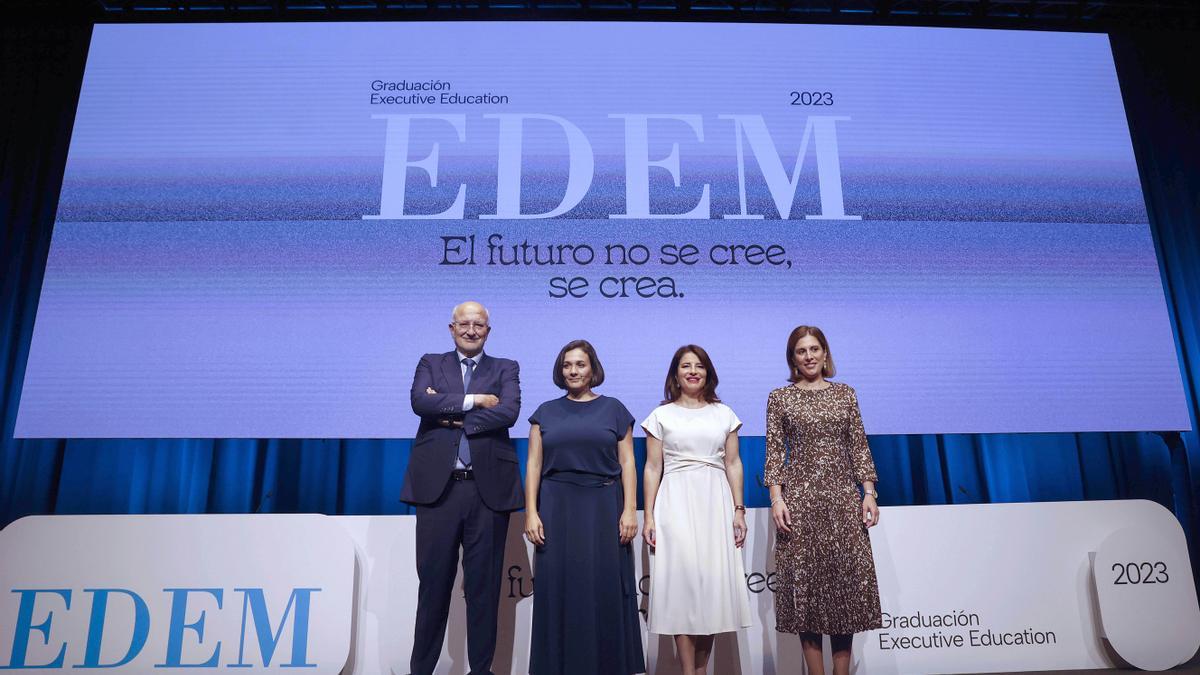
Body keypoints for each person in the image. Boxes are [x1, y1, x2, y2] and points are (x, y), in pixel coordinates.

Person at [402, 301, 523, 675]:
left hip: (486, 492)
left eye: (480, 325)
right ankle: (420, 669)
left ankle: (481, 670)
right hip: (439, 491)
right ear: (451, 328)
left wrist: (451, 414)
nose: (472, 331)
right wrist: (475, 402)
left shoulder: (506, 367)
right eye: (464, 324)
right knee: (433, 586)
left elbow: (509, 412)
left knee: (484, 590)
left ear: (489, 330)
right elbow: (420, 402)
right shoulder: (430, 362)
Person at [764, 325, 882, 675]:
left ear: (825, 353)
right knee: (807, 593)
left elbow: (859, 446)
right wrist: (776, 498)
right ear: (793, 358)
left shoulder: (845, 394)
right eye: (801, 351)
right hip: (799, 502)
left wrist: (869, 492)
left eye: (815, 349)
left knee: (843, 589)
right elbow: (773, 452)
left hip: (843, 501)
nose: (809, 356)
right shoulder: (779, 398)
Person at [523, 339, 645, 675]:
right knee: (558, 589)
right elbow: (533, 464)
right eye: (567, 365)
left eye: (580, 364)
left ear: (593, 369)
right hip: (556, 507)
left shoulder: (615, 409)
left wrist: (629, 509)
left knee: (605, 587)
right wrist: (531, 512)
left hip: (605, 506)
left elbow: (628, 463)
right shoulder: (544, 412)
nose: (573, 371)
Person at [641, 345, 753, 675]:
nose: (693, 371)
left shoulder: (724, 414)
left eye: (699, 366)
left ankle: (701, 670)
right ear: (675, 373)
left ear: (708, 373)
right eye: (686, 366)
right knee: (681, 589)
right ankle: (688, 671)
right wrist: (648, 515)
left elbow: (733, 463)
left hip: (715, 502)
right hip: (674, 502)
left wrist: (738, 509)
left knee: (713, 591)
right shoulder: (661, 415)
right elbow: (651, 467)